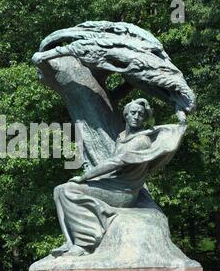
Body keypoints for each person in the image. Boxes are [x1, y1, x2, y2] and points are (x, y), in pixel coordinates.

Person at [52, 98, 187, 257]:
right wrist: (92, 180)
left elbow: (114, 162)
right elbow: (115, 169)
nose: (137, 116)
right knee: (59, 190)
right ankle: (71, 241)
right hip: (113, 184)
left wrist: (84, 178)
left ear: (144, 118)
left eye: (141, 114)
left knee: (68, 190)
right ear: (126, 115)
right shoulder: (122, 137)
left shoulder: (141, 141)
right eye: (133, 113)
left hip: (124, 193)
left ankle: (84, 243)